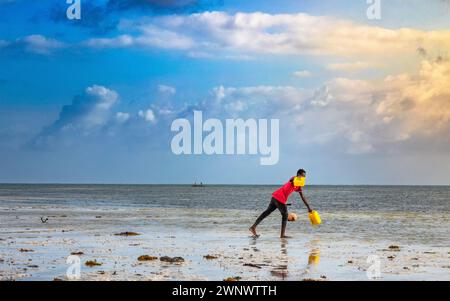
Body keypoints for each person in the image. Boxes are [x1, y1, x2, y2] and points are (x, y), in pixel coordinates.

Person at [249, 169, 312, 238]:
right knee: (285, 215)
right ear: (298, 175)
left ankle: (253, 227)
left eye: (304, 176)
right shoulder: (293, 178)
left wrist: (308, 207)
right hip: (279, 198)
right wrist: (295, 179)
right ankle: (282, 235)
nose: (304, 177)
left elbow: (302, 196)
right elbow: (293, 180)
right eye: (302, 176)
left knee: (267, 212)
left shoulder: (298, 186)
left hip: (275, 196)